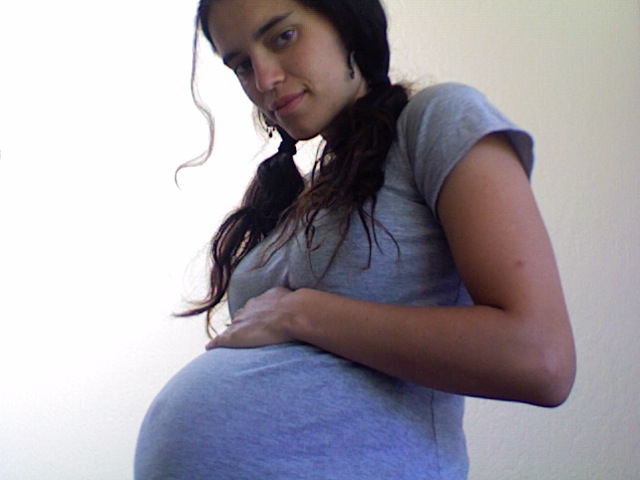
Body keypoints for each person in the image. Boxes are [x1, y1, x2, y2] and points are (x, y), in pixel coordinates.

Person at [134, 0, 576, 478]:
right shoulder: (303, 197)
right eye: (241, 64)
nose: (264, 79)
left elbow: (541, 360)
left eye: (283, 37)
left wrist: (301, 313)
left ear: (346, 23)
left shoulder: (434, 121)